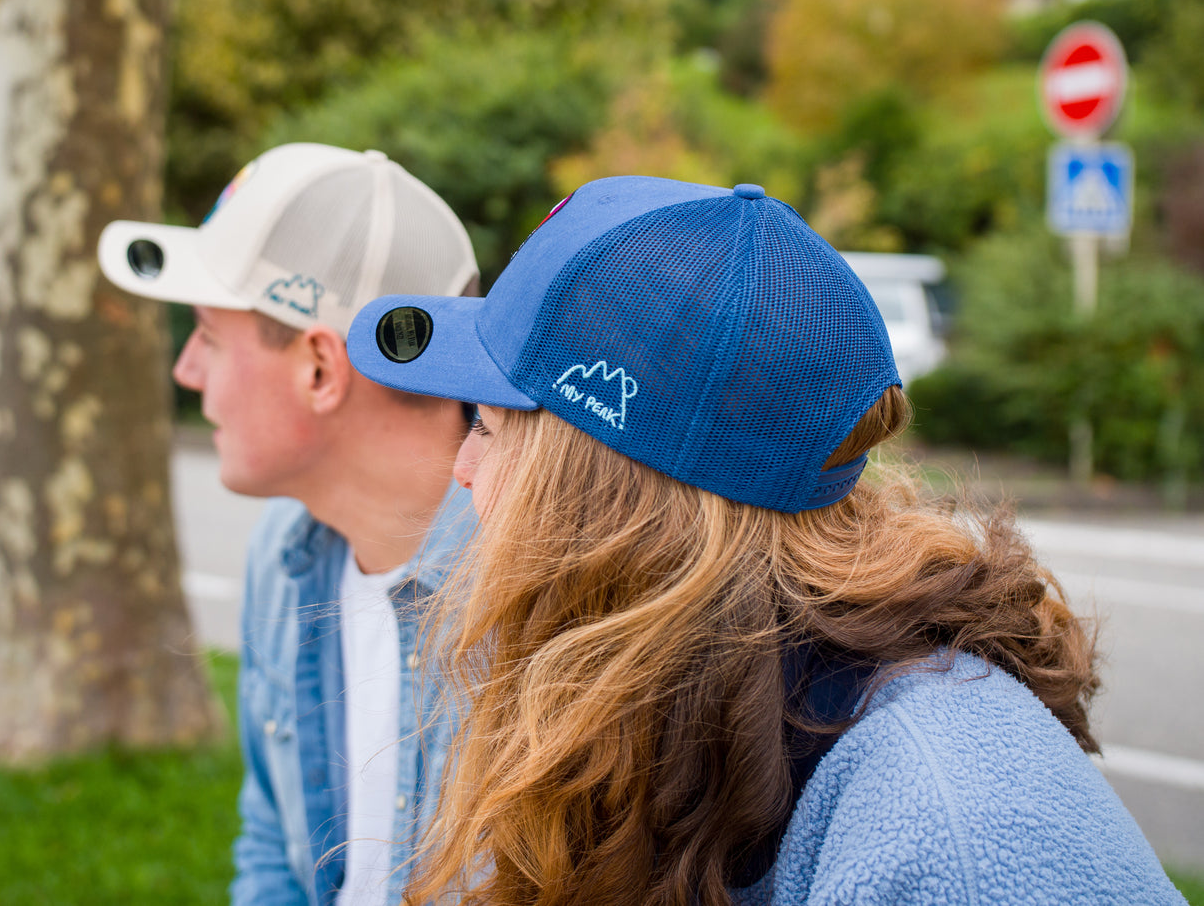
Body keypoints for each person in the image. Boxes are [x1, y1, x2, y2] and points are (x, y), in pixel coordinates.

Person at [344, 176, 1186, 906]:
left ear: (598, 507)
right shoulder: (681, 698)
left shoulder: (952, 828)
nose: (460, 467)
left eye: (487, 428)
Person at [97, 142, 480, 906]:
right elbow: (272, 842)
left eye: (207, 335)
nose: (188, 372)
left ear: (319, 369)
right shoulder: (285, 552)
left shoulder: (553, 595)